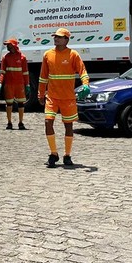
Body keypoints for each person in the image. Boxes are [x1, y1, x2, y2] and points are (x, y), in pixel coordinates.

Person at [37, 28, 90, 168]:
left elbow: (82, 71)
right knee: (48, 122)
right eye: (55, 37)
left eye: (60, 37)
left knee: (68, 126)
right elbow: (43, 77)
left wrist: (86, 85)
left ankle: (67, 155)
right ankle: (53, 154)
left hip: (68, 98)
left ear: (67, 39)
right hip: (52, 97)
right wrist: (41, 94)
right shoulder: (47, 55)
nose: (56, 39)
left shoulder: (73, 55)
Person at [0, 38, 29, 130]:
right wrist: (0, 83)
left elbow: (25, 72)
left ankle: (21, 122)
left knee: (21, 103)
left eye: (9, 45)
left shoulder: (22, 57)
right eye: (7, 45)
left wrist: (27, 85)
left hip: (19, 84)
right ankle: (9, 122)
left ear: (14, 46)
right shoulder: (5, 57)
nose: (7, 47)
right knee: (9, 103)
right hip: (9, 84)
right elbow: (2, 72)